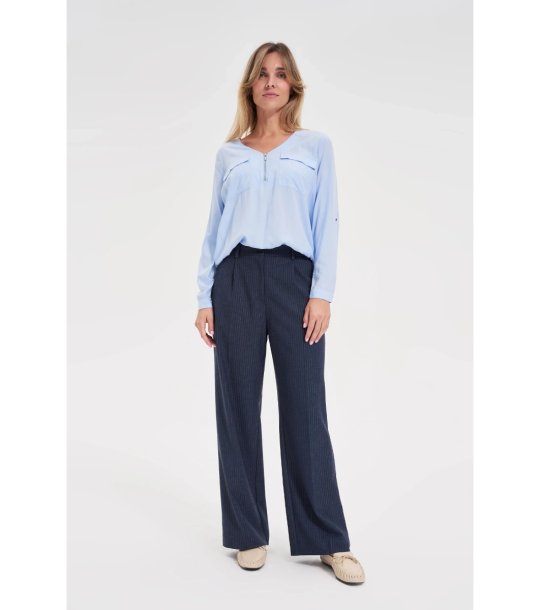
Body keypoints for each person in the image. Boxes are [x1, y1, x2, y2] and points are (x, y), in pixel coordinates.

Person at [194, 42, 365, 585]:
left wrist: (322, 292)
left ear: (293, 86)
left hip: (296, 281)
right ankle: (249, 532)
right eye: (263, 73)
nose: (271, 81)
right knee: (237, 408)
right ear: (250, 85)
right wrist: (204, 297)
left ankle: (328, 540)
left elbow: (327, 218)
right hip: (236, 279)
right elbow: (214, 227)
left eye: (281, 73)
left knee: (305, 407)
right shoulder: (230, 155)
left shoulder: (315, 147)